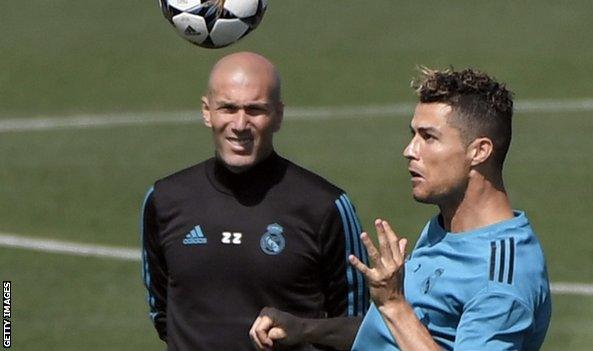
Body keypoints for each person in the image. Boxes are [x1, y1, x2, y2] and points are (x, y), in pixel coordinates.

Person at [249, 67, 551, 350]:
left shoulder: (501, 279)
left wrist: (394, 303)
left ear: (479, 151)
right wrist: (304, 330)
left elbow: (398, 315)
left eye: (428, 137)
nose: (410, 151)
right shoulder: (446, 228)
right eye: (413, 135)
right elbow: (393, 334)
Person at [140, 51, 369, 350]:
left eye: (255, 110)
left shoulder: (324, 206)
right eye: (228, 108)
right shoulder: (164, 199)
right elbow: (161, 312)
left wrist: (303, 331)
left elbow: (360, 327)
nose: (240, 124)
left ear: (278, 115)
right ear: (207, 111)